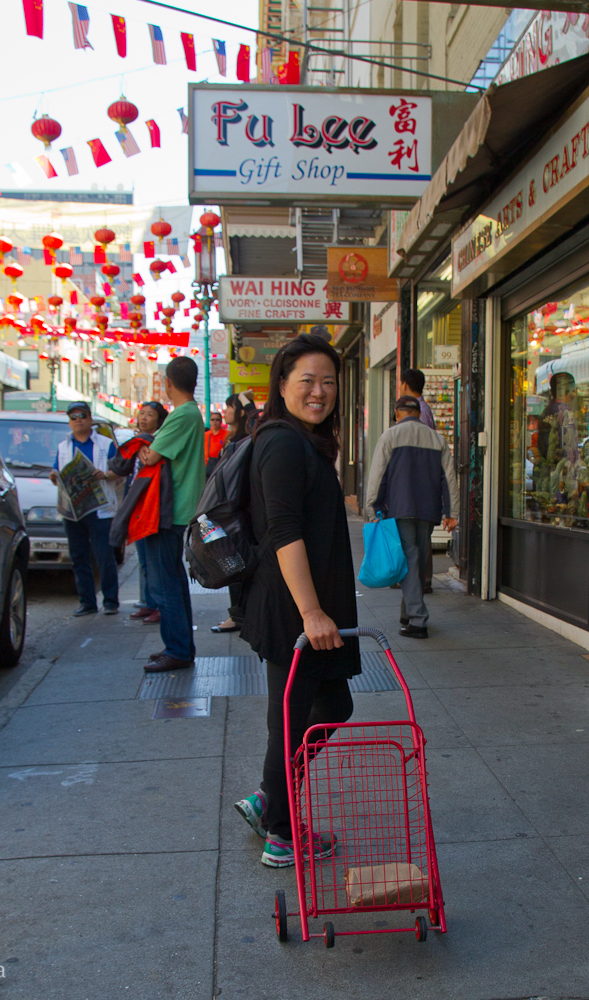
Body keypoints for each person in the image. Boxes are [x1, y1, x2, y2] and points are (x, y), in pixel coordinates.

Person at [233, 334, 361, 868]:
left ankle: (268, 795)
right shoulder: (282, 443)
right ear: (281, 384)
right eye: (306, 380)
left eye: (328, 382)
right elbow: (284, 532)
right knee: (292, 718)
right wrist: (311, 612)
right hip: (293, 612)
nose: (319, 391)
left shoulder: (304, 442)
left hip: (307, 609)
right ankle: (281, 833)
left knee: (330, 705)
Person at [366, 395, 459, 640]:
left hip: (399, 508)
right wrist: (452, 513)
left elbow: (377, 476)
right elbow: (448, 479)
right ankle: (407, 614)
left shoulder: (389, 437)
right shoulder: (437, 439)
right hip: (428, 511)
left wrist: (372, 508)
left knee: (409, 561)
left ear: (397, 412)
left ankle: (417, 619)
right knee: (416, 557)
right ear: (418, 413)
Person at [138, 357, 206, 672]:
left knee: (165, 582)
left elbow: (151, 456)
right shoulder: (191, 414)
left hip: (170, 509)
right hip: (177, 507)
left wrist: (144, 453)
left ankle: (177, 649)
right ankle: (177, 646)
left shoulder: (183, 414)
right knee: (172, 581)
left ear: (168, 382)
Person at [49, 402, 120, 618]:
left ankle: (110, 601)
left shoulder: (106, 444)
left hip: (98, 510)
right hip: (72, 510)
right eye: (73, 417)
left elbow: (119, 471)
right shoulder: (63, 446)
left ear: (90, 419)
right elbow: (56, 471)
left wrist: (105, 474)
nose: (78, 420)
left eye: (82, 416)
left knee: (103, 555)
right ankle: (87, 602)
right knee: (79, 556)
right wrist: (54, 476)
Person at [211, 390, 259, 635]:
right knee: (233, 563)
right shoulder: (232, 438)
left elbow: (257, 416)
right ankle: (240, 613)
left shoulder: (249, 435)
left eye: (230, 407)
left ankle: (239, 615)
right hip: (229, 510)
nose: (226, 412)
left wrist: (245, 400)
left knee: (236, 563)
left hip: (239, 512)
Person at [128, 401, 168, 624]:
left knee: (154, 562)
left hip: (151, 508)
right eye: (141, 413)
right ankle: (150, 603)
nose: (143, 418)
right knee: (144, 560)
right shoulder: (138, 441)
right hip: (138, 509)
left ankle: (158, 604)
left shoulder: (156, 443)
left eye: (149, 415)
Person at [400, 368, 435, 590]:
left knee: (415, 540)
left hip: (416, 485)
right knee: (420, 539)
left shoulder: (417, 412)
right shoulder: (424, 409)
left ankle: (417, 582)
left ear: (405, 385)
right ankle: (420, 580)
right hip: (423, 485)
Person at [204, 411, 228, 478]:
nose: (215, 421)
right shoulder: (205, 435)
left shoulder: (227, 434)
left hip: (221, 466)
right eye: (212, 420)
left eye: (217, 419)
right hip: (207, 468)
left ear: (221, 421)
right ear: (210, 421)